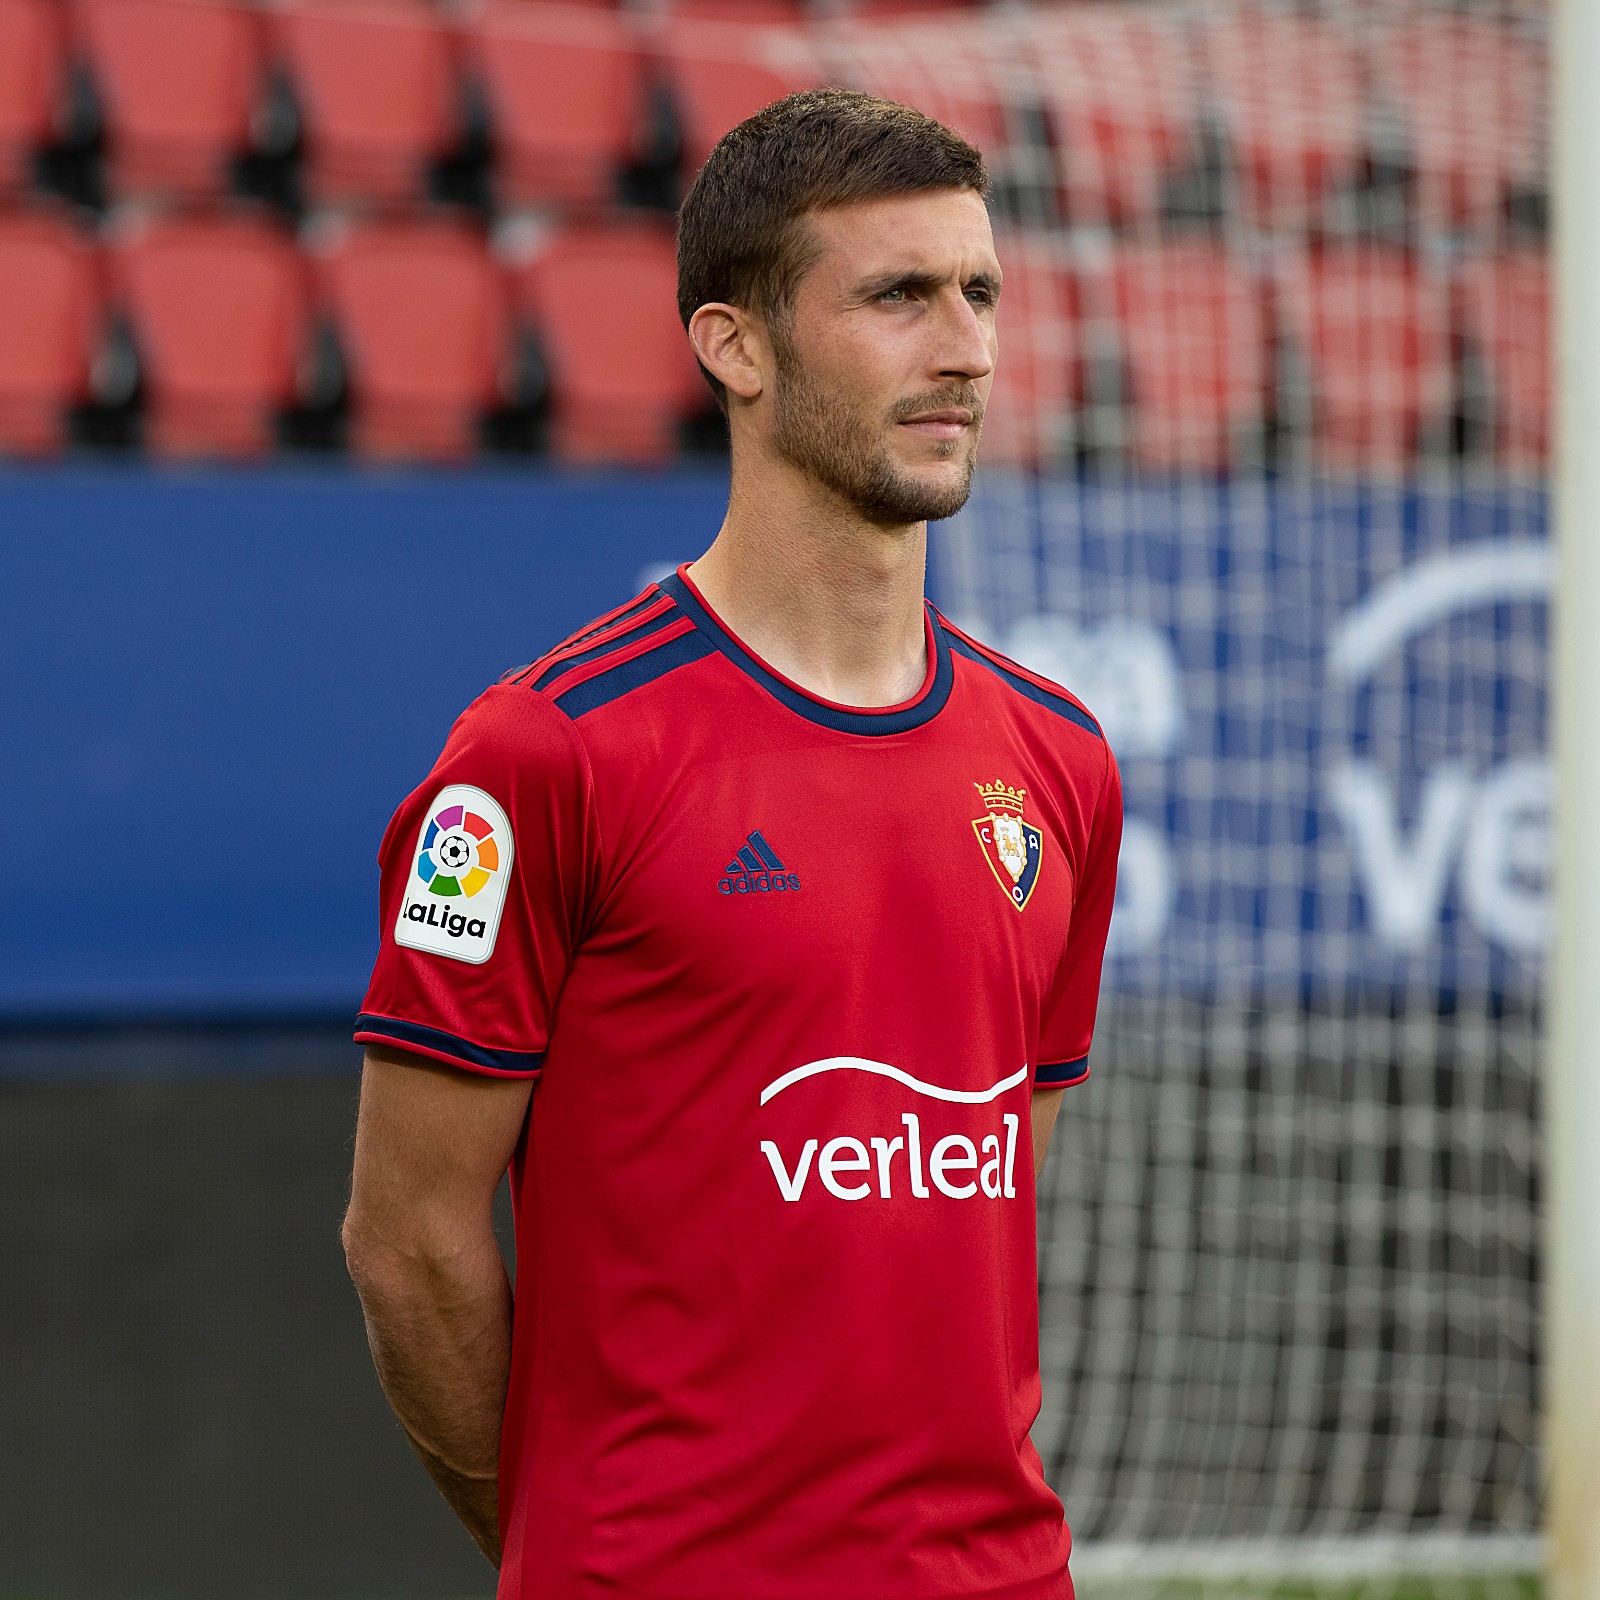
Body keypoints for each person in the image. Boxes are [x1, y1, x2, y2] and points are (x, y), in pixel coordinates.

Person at [343, 89, 1123, 1600]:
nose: (964, 347)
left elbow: (982, 1198)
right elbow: (408, 1243)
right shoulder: (542, 756)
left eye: (980, 294)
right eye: (898, 296)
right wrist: (573, 1551)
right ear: (737, 348)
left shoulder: (1062, 758)